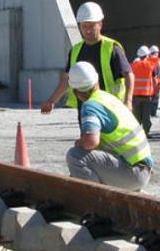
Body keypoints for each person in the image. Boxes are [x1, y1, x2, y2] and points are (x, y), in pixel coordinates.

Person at [65, 62, 153, 191]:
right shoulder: (108, 98)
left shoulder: (90, 106)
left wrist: (80, 143)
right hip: (142, 168)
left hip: (133, 173)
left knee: (75, 156)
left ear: (76, 91)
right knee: (86, 163)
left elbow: (91, 142)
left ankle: (95, 201)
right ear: (97, 81)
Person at [41, 2, 134, 119]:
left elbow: (128, 75)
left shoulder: (112, 49)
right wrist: (51, 101)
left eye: (91, 26)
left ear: (100, 24)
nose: (87, 30)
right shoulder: (75, 50)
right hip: (85, 109)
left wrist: (128, 101)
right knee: (88, 137)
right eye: (84, 26)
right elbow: (66, 79)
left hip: (110, 109)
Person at [130, 45, 158, 136]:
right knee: (146, 116)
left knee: (136, 116)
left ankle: (136, 134)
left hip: (135, 95)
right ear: (147, 55)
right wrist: (156, 91)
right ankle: (146, 132)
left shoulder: (133, 66)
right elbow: (154, 80)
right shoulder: (151, 66)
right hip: (147, 95)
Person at [148, 45, 160, 117]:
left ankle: (148, 111)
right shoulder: (158, 60)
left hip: (147, 83)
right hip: (156, 82)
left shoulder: (146, 60)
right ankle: (153, 112)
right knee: (156, 97)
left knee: (149, 97)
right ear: (156, 53)